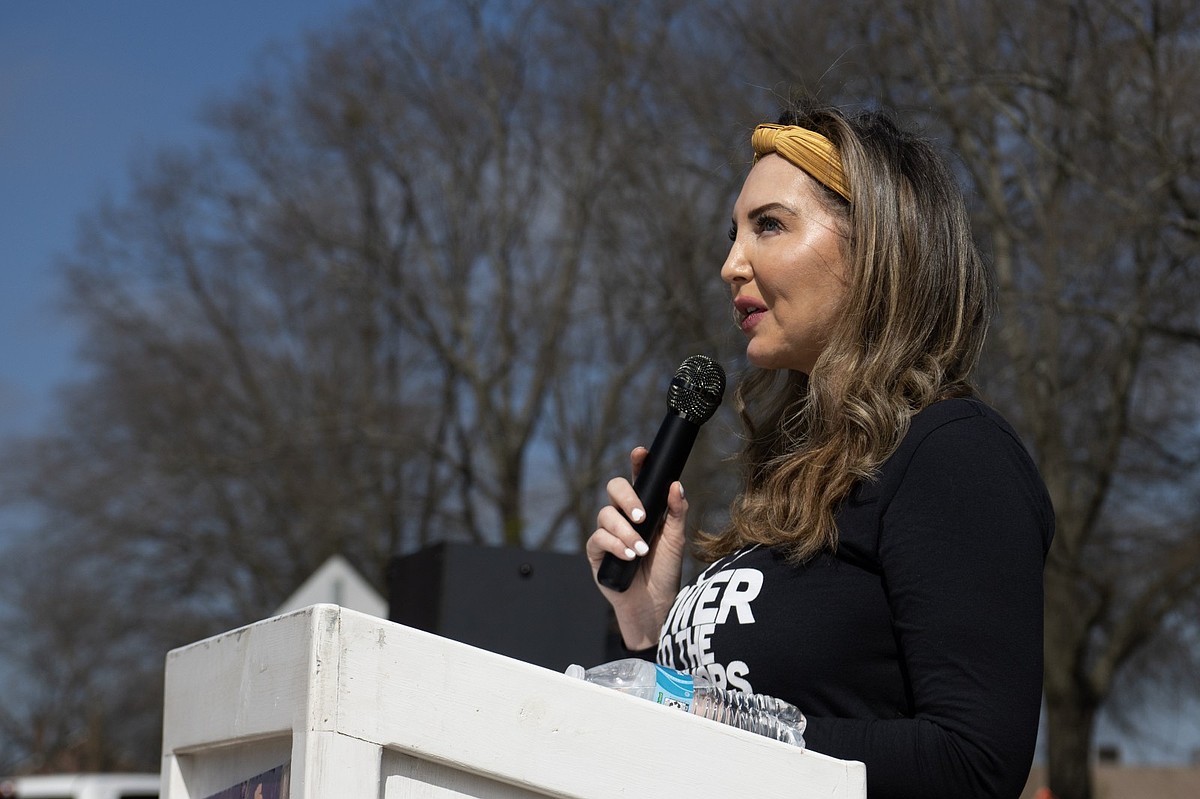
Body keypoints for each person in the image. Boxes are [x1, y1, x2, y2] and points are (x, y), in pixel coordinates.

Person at [587, 99, 1054, 799]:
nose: (730, 265)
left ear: (876, 247)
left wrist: (722, 729)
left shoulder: (954, 455)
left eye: (768, 225)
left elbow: (975, 764)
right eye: (733, 233)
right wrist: (645, 628)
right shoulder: (791, 484)